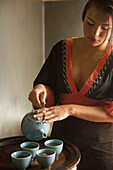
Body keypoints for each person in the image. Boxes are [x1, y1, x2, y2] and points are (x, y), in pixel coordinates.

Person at [28, 0, 113, 169]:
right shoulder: (61, 49)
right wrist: (40, 90)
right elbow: (48, 85)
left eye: (105, 28)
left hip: (101, 149)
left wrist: (69, 109)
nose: (95, 33)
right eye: (90, 23)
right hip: (60, 145)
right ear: (83, 18)